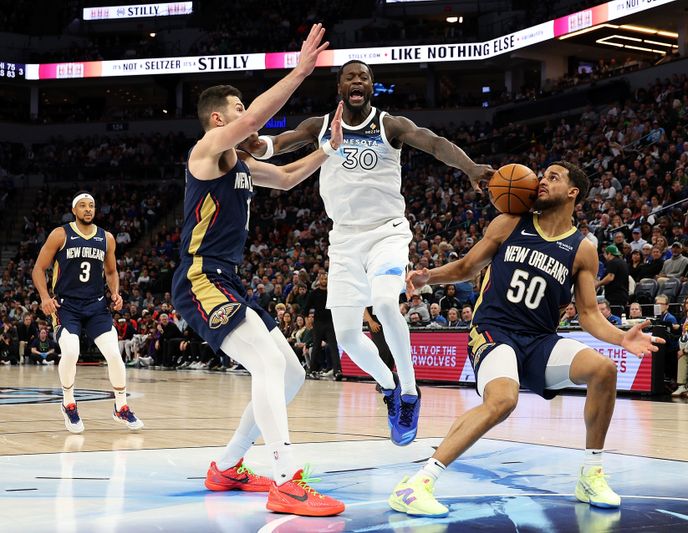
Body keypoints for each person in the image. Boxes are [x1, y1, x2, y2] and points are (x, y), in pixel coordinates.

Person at [245, 59, 494, 447]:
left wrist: (470, 167)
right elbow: (276, 144)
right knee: (346, 335)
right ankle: (389, 387)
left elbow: (434, 143)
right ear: (341, 87)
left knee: (382, 301)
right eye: (350, 77)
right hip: (343, 239)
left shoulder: (389, 124)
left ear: (372, 87)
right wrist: (258, 144)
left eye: (363, 77)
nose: (357, 81)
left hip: (387, 232)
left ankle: (410, 392)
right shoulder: (321, 125)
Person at [389, 162, 662, 517]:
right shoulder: (509, 223)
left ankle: (591, 474)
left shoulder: (583, 249)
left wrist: (621, 337)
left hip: (538, 339)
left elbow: (589, 314)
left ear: (573, 192)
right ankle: (416, 485)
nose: (542, 181)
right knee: (503, 400)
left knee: (604, 369)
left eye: (553, 177)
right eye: (542, 176)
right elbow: (467, 267)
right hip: (494, 330)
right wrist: (429, 278)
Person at [170, 24, 345, 516]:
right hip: (201, 277)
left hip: (228, 279)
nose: (250, 118)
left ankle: (228, 465)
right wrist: (300, 71)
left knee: (290, 373)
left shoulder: (240, 166)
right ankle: (287, 481)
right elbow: (251, 128)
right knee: (268, 367)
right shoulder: (204, 154)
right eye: (242, 110)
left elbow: (289, 178)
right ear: (220, 118)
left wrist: (328, 150)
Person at [32, 192, 143, 434]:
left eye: (91, 205)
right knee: (71, 351)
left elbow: (112, 272)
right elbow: (39, 269)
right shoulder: (60, 234)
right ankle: (68, 402)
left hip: (96, 305)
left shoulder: (106, 238)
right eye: (82, 205)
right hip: (66, 306)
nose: (88, 209)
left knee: (114, 354)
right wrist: (44, 297)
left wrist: (115, 293)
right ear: (74, 210)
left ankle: (121, 407)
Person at [595, 245, 629, 315]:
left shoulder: (612, 262)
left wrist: (598, 284)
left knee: (614, 317)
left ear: (609, 253)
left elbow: (610, 277)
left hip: (614, 296)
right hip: (623, 294)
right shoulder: (623, 262)